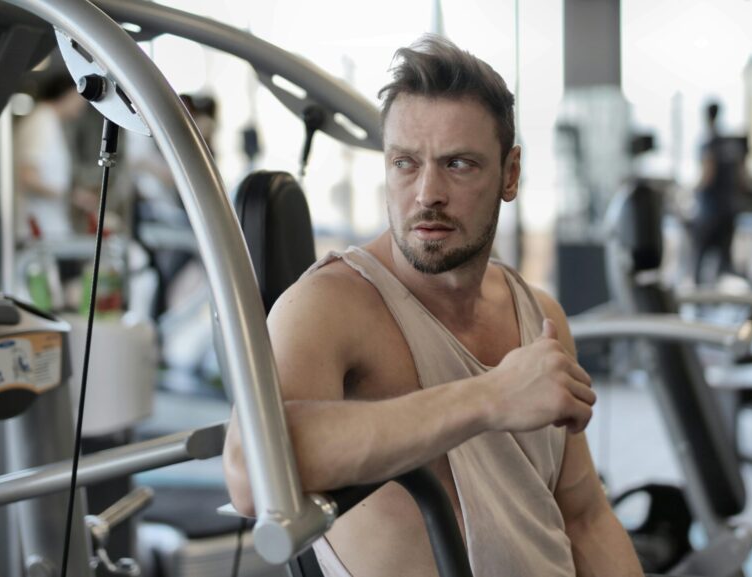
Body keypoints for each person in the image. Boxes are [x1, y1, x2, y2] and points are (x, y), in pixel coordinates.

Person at [223, 36, 643, 577]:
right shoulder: (330, 306)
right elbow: (248, 474)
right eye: (405, 163)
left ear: (510, 174)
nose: (427, 193)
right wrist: (492, 396)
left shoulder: (537, 316)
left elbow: (585, 517)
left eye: (459, 164)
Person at [14, 73, 89, 244]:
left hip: (49, 224)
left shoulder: (49, 121)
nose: (83, 104)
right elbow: (27, 177)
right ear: (67, 94)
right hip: (39, 225)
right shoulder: (41, 121)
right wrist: (72, 196)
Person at [692, 101, 748, 285]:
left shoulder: (709, 142)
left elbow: (708, 175)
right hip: (730, 207)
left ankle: (701, 299)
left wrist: (691, 191)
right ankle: (724, 296)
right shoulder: (731, 142)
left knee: (700, 257)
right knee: (725, 258)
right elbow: (742, 177)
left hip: (710, 209)